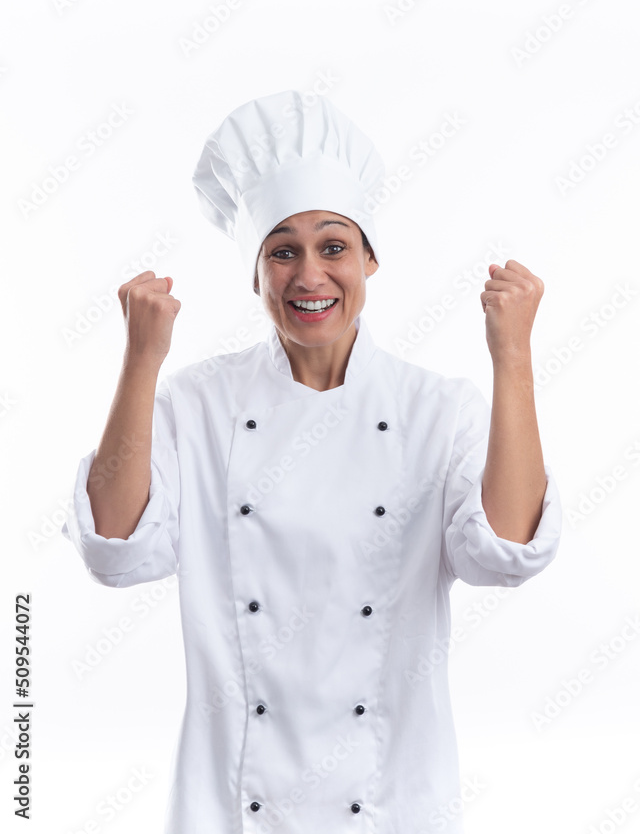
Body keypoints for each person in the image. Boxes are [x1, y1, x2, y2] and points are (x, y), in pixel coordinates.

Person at [62, 89, 562, 834]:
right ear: (255, 272)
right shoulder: (197, 404)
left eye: (333, 247)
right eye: (282, 251)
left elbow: (506, 555)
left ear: (370, 259)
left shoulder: (437, 409)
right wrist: (141, 360)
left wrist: (512, 356)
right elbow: (115, 551)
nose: (309, 276)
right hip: (230, 811)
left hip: (392, 810)